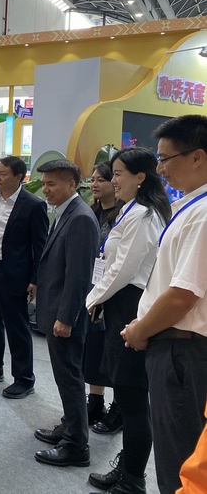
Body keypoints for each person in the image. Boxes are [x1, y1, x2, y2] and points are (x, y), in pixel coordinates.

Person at [123, 115, 207, 494]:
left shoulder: (203, 213)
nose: (160, 169)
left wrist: (140, 330)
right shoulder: (191, 205)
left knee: (179, 463)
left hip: (182, 351)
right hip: (176, 347)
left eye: (165, 159)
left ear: (197, 157)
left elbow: (183, 294)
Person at [85, 148, 170, 494]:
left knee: (133, 398)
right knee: (127, 393)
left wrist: (92, 298)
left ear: (141, 177)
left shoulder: (144, 215)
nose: (113, 180)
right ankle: (128, 469)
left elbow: (123, 268)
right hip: (121, 302)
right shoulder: (132, 209)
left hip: (131, 305)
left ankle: (133, 478)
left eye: (119, 174)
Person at [33, 160, 100, 468]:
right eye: (44, 184)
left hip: (66, 314)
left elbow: (79, 275)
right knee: (64, 375)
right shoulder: (66, 212)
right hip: (57, 309)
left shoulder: (81, 218)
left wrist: (66, 317)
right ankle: (70, 426)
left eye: (52, 184)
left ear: (72, 184)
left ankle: (76, 445)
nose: (46, 190)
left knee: (70, 377)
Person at [0, 156, 49, 399]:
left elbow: (40, 246)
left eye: (3, 174)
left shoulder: (33, 205)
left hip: (14, 273)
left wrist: (35, 279)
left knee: (17, 327)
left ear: (19, 177)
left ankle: (24, 379)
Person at [86, 162, 124, 432]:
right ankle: (95, 400)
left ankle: (118, 407)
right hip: (93, 288)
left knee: (116, 352)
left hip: (118, 290)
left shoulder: (126, 215)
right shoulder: (91, 213)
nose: (95, 184)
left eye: (102, 179)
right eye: (92, 179)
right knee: (94, 348)